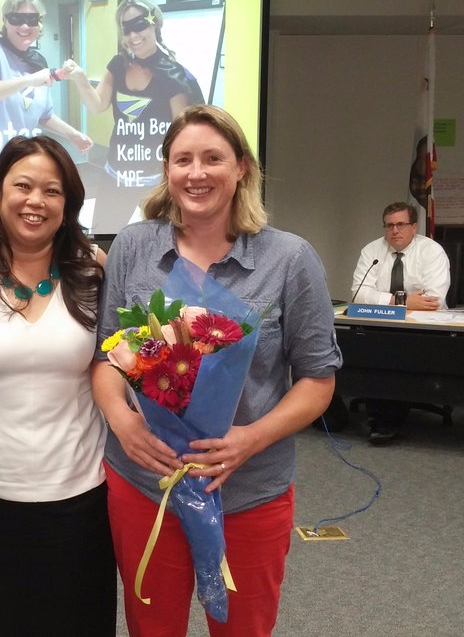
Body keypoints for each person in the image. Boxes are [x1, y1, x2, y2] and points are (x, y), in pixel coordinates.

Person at [91, 105, 341, 635]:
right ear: (166, 170)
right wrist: (124, 422)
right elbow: (105, 357)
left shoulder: (289, 259)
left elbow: (318, 381)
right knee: (151, 627)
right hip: (147, 483)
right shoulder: (133, 247)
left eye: (213, 158)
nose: (196, 173)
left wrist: (250, 439)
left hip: (249, 489)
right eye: (183, 160)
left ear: (241, 167)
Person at [0, 135, 114, 635]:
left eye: (52, 190)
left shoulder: (93, 268)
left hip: (80, 491)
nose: (35, 201)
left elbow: (120, 365)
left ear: (68, 203)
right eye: (23, 186)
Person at [0, 0, 92, 224]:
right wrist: (27, 80)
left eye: (31, 19)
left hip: (17, 169)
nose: (24, 26)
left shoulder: (37, 62)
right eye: (17, 18)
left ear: (40, 23)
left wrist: (73, 135)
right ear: (5, 20)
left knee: (13, 233)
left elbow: (43, 115)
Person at [63, 0, 205, 194]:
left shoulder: (172, 76)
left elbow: (184, 134)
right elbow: (97, 105)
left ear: (155, 24)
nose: (133, 36)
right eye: (127, 29)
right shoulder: (118, 65)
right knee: (108, 217)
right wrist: (80, 78)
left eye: (139, 25)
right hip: (116, 175)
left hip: (156, 181)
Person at [350, 201, 451, 444]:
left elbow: (433, 300)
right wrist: (400, 301)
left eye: (401, 225)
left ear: (413, 227)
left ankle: (385, 419)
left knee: (395, 352)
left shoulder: (432, 251)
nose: (394, 231)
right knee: (366, 347)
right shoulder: (371, 251)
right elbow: (358, 294)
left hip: (424, 328)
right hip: (381, 325)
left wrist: (382, 300)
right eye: (389, 225)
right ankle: (381, 414)